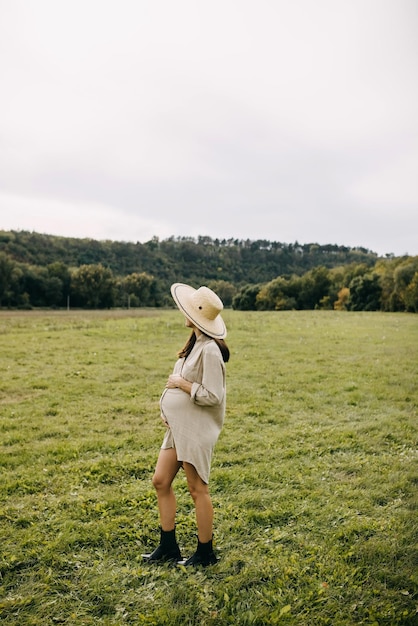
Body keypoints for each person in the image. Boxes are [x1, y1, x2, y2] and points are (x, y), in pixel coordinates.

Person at [142, 283, 229, 567]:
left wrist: (182, 384)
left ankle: (205, 553)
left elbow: (213, 396)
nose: (184, 312)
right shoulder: (194, 344)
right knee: (160, 480)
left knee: (197, 489)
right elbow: (175, 385)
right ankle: (168, 547)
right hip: (177, 428)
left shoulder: (211, 352)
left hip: (194, 431)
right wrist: (165, 406)